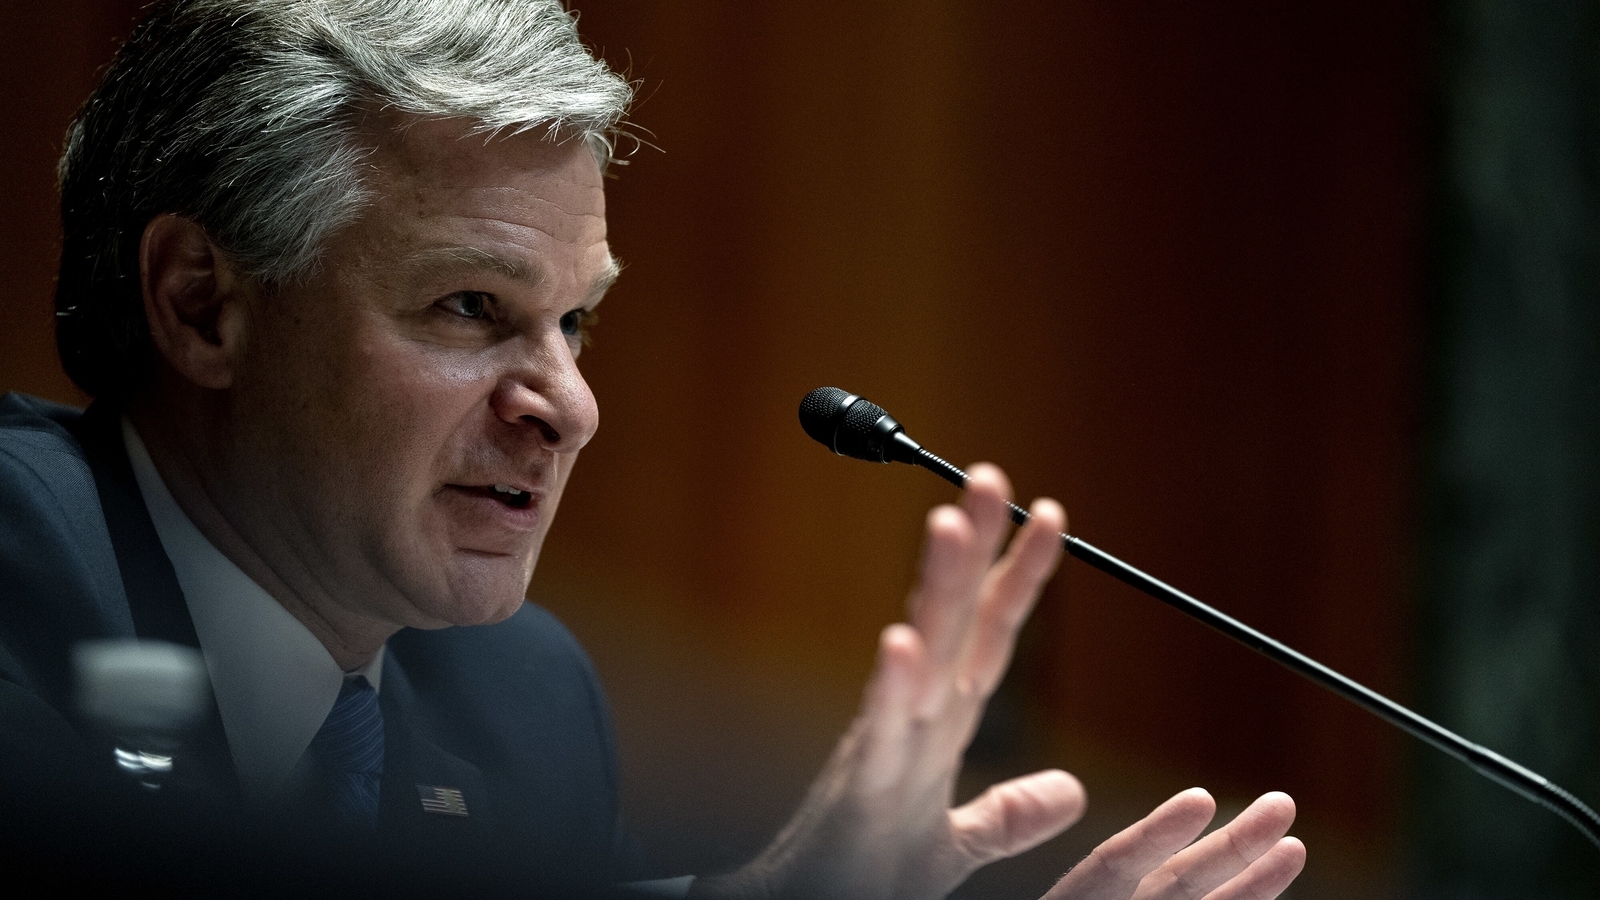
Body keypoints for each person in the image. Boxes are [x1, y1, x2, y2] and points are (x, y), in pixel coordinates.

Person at [0, 1, 1308, 897]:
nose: (565, 404)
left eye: (576, 322)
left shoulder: (520, 703)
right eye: (472, 309)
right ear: (200, 304)